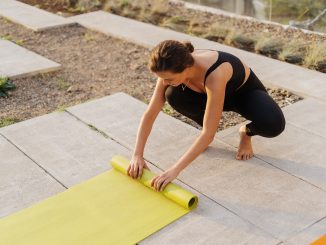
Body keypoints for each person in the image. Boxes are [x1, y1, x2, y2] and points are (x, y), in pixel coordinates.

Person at [127, 40, 286, 192]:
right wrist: (137, 155)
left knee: (274, 124)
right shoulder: (169, 70)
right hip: (207, 95)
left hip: (242, 95)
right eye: (161, 78)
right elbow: (150, 114)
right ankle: (204, 124)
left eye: (168, 78)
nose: (164, 81)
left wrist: (174, 170)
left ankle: (246, 132)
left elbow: (209, 135)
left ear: (186, 68)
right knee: (173, 95)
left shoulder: (215, 72)